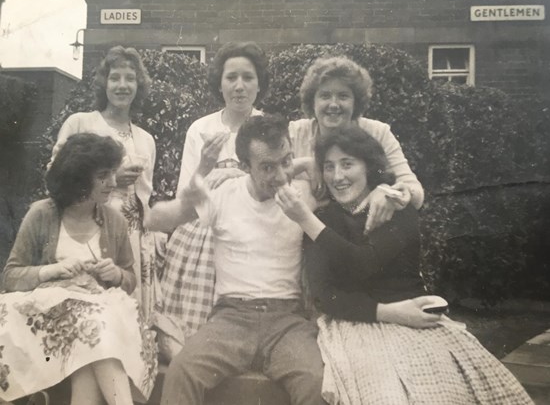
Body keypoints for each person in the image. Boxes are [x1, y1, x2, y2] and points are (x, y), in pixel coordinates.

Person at [276, 125, 534, 405]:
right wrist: (391, 313)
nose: (337, 176)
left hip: (416, 323)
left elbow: (364, 262)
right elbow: (325, 297)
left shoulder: (397, 207)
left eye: (347, 164)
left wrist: (306, 220)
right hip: (356, 324)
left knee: (452, 395)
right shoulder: (321, 218)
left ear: (368, 166)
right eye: (328, 167)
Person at [147, 114, 326, 405]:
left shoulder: (304, 196)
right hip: (231, 318)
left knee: (315, 381)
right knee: (182, 372)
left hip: (287, 320)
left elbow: (356, 194)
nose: (280, 175)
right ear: (245, 167)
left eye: (285, 161)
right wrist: (198, 175)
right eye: (267, 167)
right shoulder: (225, 194)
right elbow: (162, 218)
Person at [1, 134, 157, 405]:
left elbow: (130, 279)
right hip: (50, 320)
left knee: (91, 345)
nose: (113, 182)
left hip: (96, 322)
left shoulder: (114, 221)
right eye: (103, 176)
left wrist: (116, 275)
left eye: (112, 173)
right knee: (94, 333)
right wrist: (54, 271)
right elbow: (10, 276)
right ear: (80, 179)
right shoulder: (42, 214)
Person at [153, 41, 269, 358]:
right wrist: (207, 167)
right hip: (204, 223)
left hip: (253, 221)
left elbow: (275, 188)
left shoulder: (268, 128)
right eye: (231, 77)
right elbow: (184, 199)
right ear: (220, 83)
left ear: (259, 84)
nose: (239, 86)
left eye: (248, 77)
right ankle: (187, 345)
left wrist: (236, 177)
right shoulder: (201, 128)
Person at [51, 45, 158, 322]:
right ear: (103, 84)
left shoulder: (146, 139)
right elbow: (55, 177)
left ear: (139, 85)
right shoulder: (81, 123)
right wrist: (111, 179)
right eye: (115, 78)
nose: (122, 85)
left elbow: (145, 198)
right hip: (90, 229)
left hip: (133, 238)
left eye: (130, 78)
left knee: (128, 313)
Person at [289, 56, 424, 232]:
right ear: (312, 101)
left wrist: (388, 192)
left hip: (364, 234)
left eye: (343, 96)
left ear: (356, 102)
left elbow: (416, 193)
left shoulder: (377, 133)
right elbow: (263, 178)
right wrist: (305, 163)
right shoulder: (296, 133)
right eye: (325, 96)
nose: (333, 104)